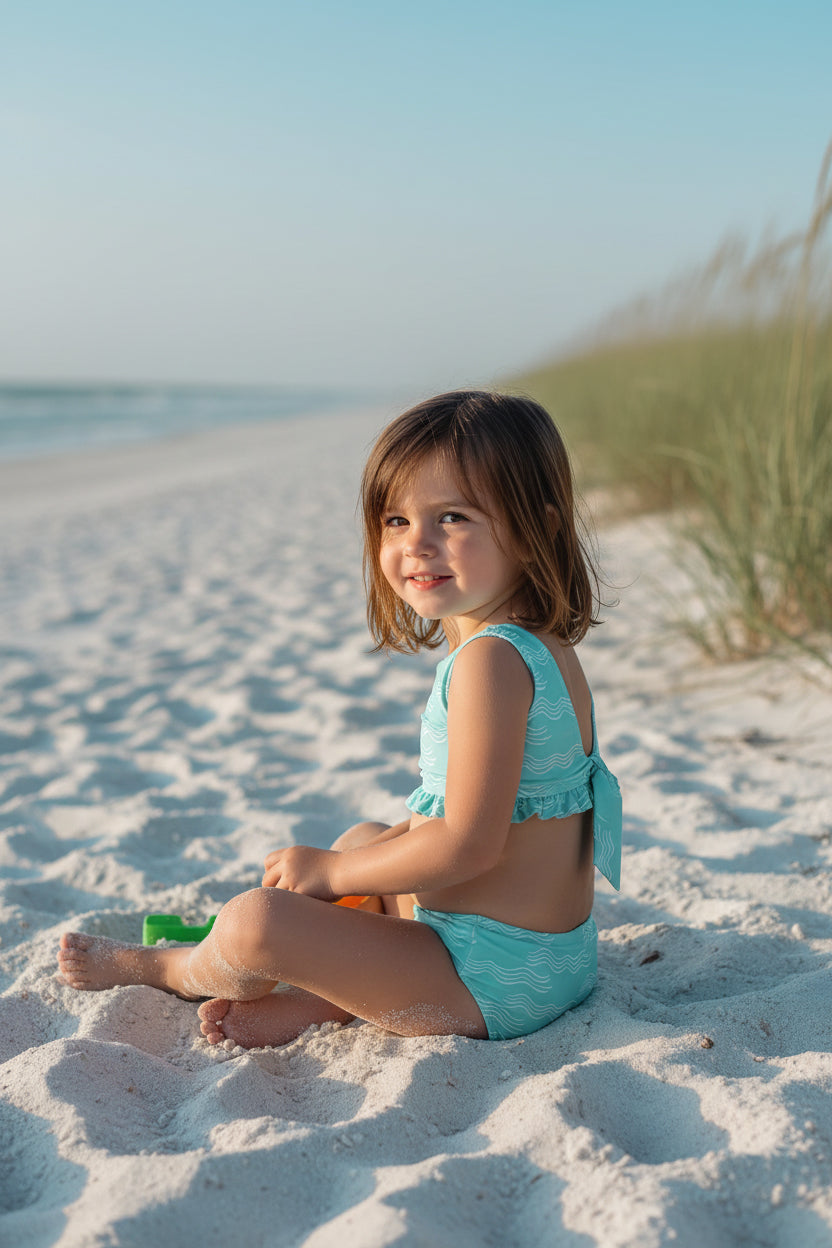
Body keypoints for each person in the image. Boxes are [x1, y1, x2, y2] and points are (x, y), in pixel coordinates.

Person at [58, 391, 621, 1048]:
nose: (419, 545)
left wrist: (328, 875)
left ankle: (173, 968)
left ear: (539, 528)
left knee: (258, 922)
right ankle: (332, 1000)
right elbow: (504, 811)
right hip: (554, 959)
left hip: (489, 980)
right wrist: (352, 859)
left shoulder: (488, 664)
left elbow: (470, 843)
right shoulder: (543, 648)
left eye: (453, 517)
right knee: (365, 839)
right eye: (397, 521)